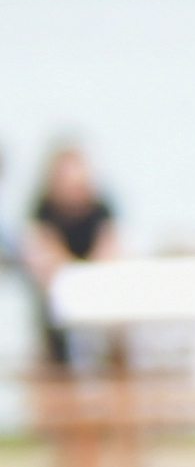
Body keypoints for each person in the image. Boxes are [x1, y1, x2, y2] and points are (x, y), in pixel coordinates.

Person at [21, 135, 111, 368]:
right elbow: (42, 250)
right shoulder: (43, 209)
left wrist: (89, 275)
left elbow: (110, 248)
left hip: (98, 287)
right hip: (57, 294)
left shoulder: (101, 209)